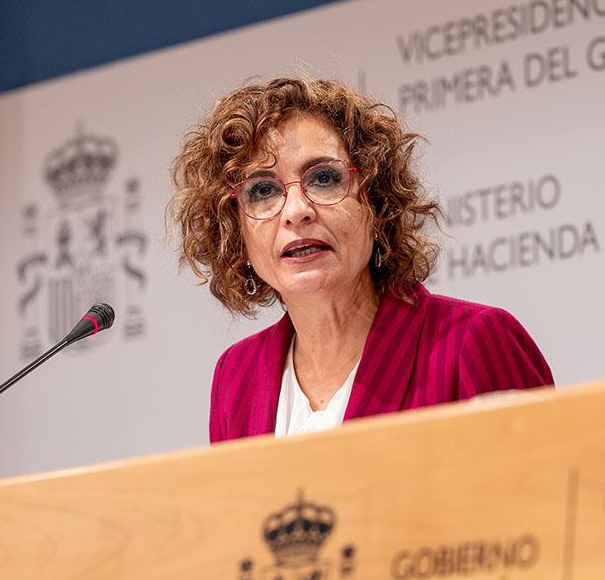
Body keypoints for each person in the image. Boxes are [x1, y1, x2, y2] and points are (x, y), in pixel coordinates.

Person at [170, 77, 552, 443]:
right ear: (235, 233)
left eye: (323, 179)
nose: (296, 211)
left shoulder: (472, 340)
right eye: (263, 190)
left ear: (377, 203)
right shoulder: (237, 376)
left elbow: (548, 503)